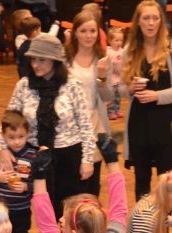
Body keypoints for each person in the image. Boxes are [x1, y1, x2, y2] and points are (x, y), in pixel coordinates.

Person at [0, 34, 95, 221]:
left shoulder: (72, 85)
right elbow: (8, 118)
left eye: (41, 60)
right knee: (43, 207)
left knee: (68, 211)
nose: (35, 64)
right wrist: (2, 148)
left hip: (68, 155)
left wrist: (87, 159)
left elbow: (86, 126)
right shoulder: (24, 85)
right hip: (35, 156)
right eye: (33, 59)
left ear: (54, 60)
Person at [118, 1, 172, 201]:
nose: (151, 23)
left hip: (164, 124)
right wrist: (130, 89)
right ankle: (142, 219)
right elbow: (121, 89)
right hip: (138, 124)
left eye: (155, 18)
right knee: (141, 181)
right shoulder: (130, 50)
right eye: (146, 18)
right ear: (138, 22)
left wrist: (157, 96)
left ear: (161, 21)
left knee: (166, 182)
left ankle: (163, 220)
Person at [65, 10, 109, 196]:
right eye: (83, 31)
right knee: (71, 178)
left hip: (95, 122)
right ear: (75, 32)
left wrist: (102, 77)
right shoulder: (65, 59)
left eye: (92, 31)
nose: (88, 36)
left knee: (92, 181)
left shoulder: (103, 58)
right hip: (70, 124)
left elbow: (108, 96)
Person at [0, 110, 38, 233]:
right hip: (1, 211)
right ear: (3, 136)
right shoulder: (0, 155)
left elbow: (38, 184)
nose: (17, 142)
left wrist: (26, 187)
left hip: (22, 210)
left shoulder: (32, 155)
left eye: (21, 137)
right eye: (11, 137)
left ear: (28, 134)